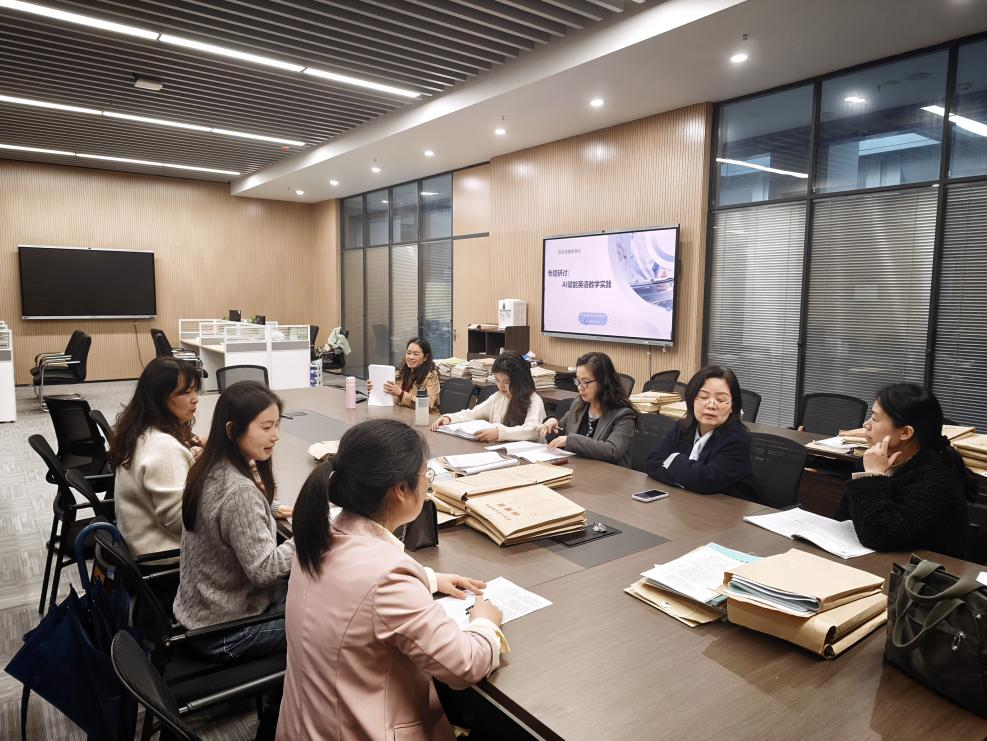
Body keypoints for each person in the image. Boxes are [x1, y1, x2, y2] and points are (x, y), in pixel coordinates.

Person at [278, 419, 506, 740]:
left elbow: (354, 591)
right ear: (400, 490)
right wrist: (485, 624)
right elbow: (463, 666)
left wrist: (429, 579)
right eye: (427, 475)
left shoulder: (319, 533)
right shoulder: (388, 575)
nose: (428, 484)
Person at [174, 381, 295, 662]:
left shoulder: (208, 466)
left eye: (277, 425)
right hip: (228, 632)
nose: (275, 436)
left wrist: (270, 508)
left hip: (201, 616)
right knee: (330, 618)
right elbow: (266, 570)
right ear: (231, 430)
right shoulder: (239, 492)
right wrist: (308, 533)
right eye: (266, 427)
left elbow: (225, 510)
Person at [833, 383, 973, 559]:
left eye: (874, 419)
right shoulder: (875, 459)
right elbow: (844, 517)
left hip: (928, 570)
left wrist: (872, 477)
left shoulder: (936, 479)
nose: (865, 424)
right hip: (877, 558)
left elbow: (880, 536)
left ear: (905, 432)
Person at [108, 356, 202, 559]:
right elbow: (181, 521)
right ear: (160, 398)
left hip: (139, 542)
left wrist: (191, 458)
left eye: (195, 390)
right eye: (185, 392)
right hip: (166, 556)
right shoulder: (164, 448)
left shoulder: (141, 430)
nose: (195, 398)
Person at [644, 365, 754, 497]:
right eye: (703, 397)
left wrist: (674, 459)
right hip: (683, 502)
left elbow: (706, 481)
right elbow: (651, 463)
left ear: (732, 406)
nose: (711, 405)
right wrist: (690, 477)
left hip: (722, 507)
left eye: (720, 400)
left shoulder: (738, 439)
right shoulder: (681, 427)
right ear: (692, 400)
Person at [541, 351, 637, 467]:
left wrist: (571, 440)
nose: (580, 387)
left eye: (585, 382)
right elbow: (562, 430)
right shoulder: (579, 403)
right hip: (577, 467)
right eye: (578, 381)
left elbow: (612, 450)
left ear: (603, 382)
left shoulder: (624, 415)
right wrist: (552, 423)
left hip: (607, 473)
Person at [431, 350, 545, 442]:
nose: (501, 387)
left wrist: (499, 433)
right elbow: (474, 414)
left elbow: (533, 430)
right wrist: (450, 418)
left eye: (507, 382)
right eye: (497, 380)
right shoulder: (498, 397)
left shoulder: (534, 400)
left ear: (520, 380)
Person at [366, 336, 440, 411]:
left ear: (425, 357)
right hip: (400, 413)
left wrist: (401, 394)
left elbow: (427, 405)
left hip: (424, 416)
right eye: (408, 353)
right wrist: (375, 390)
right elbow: (390, 398)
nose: (411, 357)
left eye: (416, 354)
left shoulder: (431, 376)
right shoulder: (400, 373)